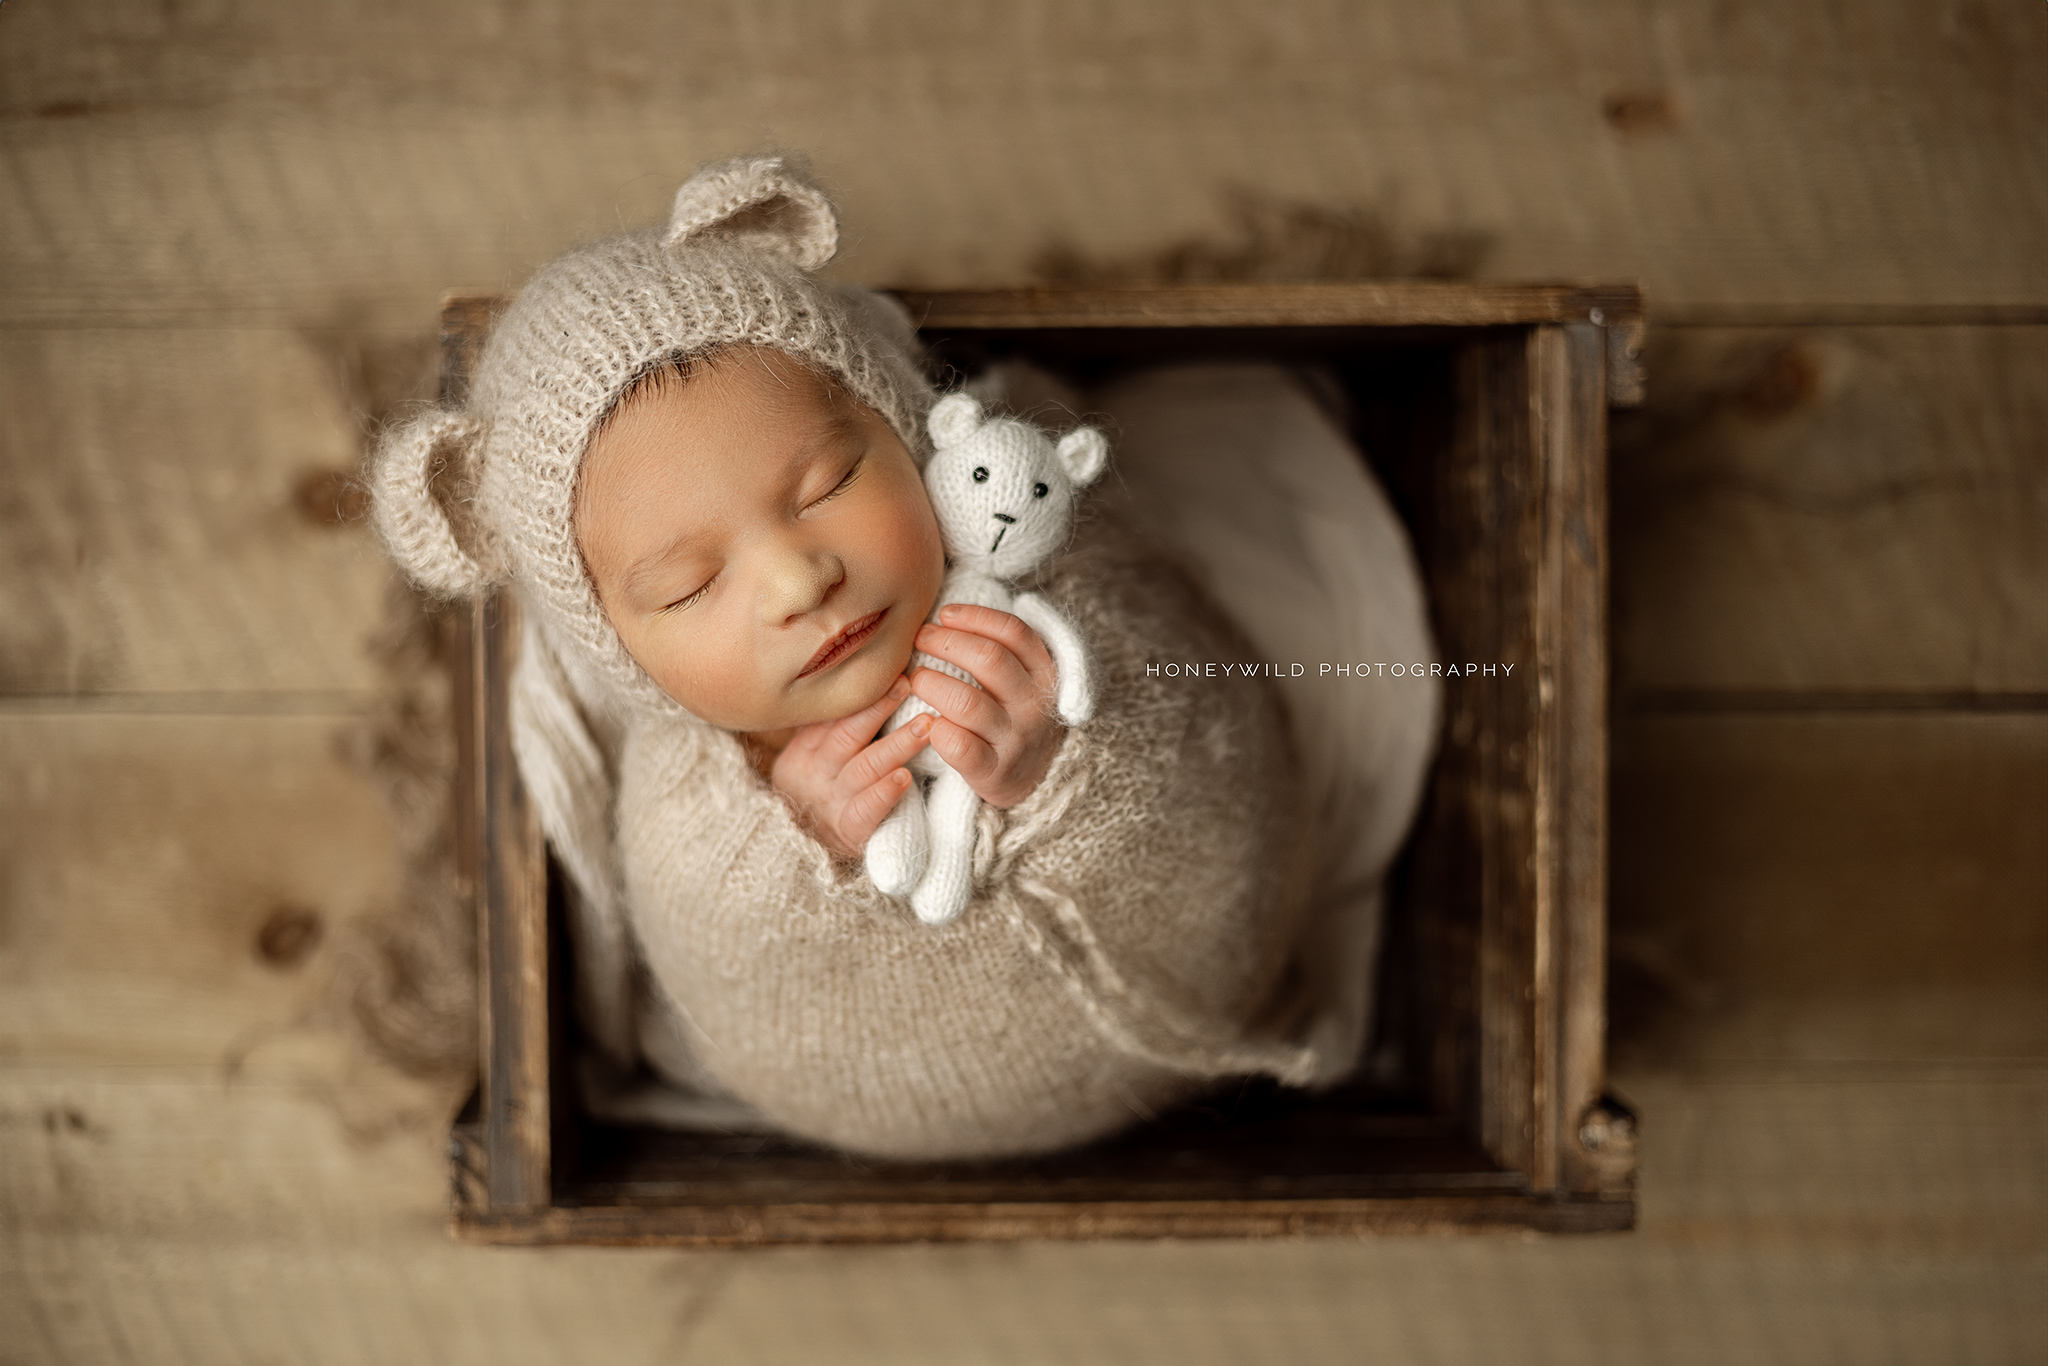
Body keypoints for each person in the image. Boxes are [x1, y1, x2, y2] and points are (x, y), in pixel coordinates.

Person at [369, 154, 1432, 1160]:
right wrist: (790, 848)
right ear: (623, 654)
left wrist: (1063, 754)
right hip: (851, 1101)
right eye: (690, 585)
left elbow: (1215, 746)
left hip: (1199, 990)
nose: (797, 580)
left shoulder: (1048, 572)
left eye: (828, 484)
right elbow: (715, 964)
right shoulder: (683, 794)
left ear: (906, 430)